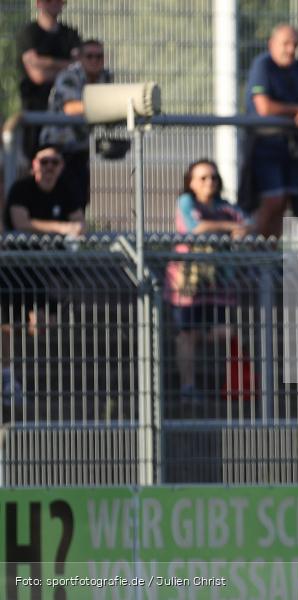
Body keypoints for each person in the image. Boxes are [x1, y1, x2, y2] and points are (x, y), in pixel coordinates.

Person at [2, 143, 84, 420]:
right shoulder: (22, 189)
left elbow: (79, 223)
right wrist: (62, 229)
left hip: (49, 269)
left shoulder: (68, 190)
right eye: (44, 162)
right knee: (8, 321)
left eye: (55, 162)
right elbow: (21, 223)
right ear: (34, 164)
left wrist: (68, 230)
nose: (49, 168)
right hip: (16, 267)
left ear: (61, 166)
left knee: (43, 323)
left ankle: (26, 379)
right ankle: (7, 375)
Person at [165, 160, 249, 408]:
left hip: (218, 282)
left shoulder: (224, 207)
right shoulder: (187, 203)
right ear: (191, 182)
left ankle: (227, 386)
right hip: (188, 281)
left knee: (222, 330)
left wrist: (240, 228)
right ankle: (188, 387)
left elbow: (247, 224)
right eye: (202, 178)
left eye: (212, 177)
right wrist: (231, 227)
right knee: (185, 333)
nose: (209, 182)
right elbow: (196, 228)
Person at [241, 24, 298, 238]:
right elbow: (263, 107)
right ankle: (255, 255)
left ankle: (271, 259)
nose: (291, 49)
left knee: (283, 203)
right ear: (271, 44)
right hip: (266, 145)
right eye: (286, 43)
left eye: (295, 44)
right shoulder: (263, 65)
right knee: (271, 200)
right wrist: (297, 110)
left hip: (291, 147)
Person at [40, 39, 113, 210]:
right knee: (54, 198)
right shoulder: (69, 76)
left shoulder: (105, 77)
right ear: (80, 58)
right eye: (89, 56)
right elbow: (72, 108)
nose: (95, 60)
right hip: (57, 147)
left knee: (79, 200)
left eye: (99, 56)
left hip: (80, 148)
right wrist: (108, 107)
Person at [16, 0, 82, 160]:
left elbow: (79, 68)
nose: (54, 3)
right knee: (40, 164)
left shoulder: (70, 34)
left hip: (66, 115)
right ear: (38, 3)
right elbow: (38, 76)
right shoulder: (28, 34)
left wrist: (42, 62)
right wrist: (65, 67)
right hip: (37, 113)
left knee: (69, 166)